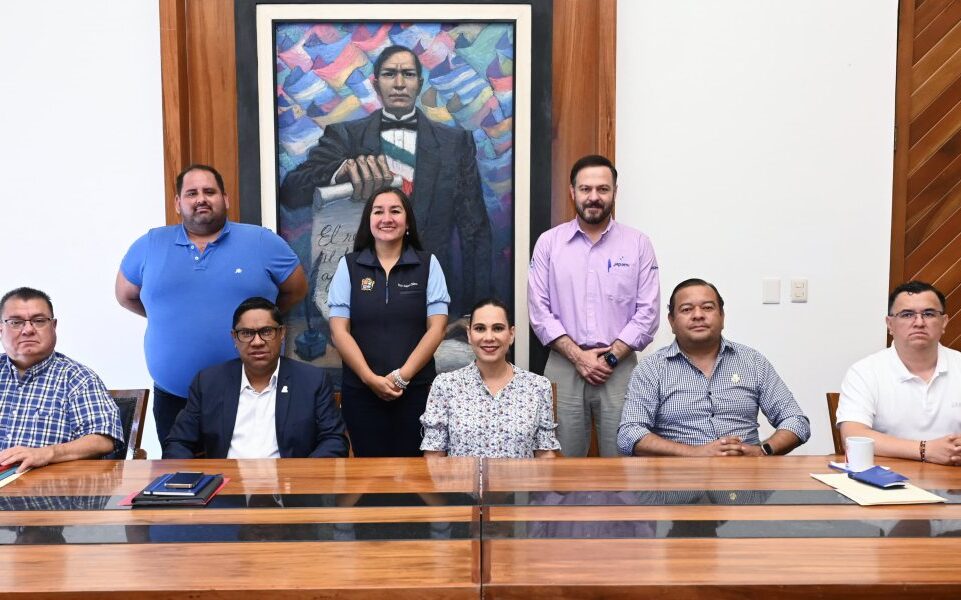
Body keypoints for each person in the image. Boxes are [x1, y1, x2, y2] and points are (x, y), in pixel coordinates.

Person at [280, 44, 490, 316]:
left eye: (408, 74)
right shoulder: (345, 136)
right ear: (375, 84)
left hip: (432, 298)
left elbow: (475, 232)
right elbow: (291, 192)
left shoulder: (455, 143)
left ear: (420, 83)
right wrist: (340, 171)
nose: (399, 83)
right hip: (363, 297)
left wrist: (476, 313)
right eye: (390, 74)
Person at [115, 164, 308, 444]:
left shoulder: (262, 241)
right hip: (174, 399)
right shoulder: (149, 245)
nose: (201, 199)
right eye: (191, 193)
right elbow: (125, 295)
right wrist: (164, 317)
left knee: (252, 470)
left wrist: (259, 324)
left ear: (225, 199)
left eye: (209, 191)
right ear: (178, 203)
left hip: (252, 395)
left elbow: (296, 290)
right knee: (178, 470)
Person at [528, 154, 660, 457]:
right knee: (560, 462)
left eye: (603, 189)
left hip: (620, 366)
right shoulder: (548, 243)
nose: (594, 197)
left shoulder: (638, 244)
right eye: (585, 189)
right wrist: (578, 357)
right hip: (563, 363)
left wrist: (610, 359)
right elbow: (539, 311)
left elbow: (648, 313)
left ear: (615, 192)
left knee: (624, 459)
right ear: (572, 192)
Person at [617, 279, 810, 457]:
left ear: (722, 316)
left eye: (708, 308)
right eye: (686, 309)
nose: (698, 315)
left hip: (745, 475)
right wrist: (694, 453)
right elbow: (629, 433)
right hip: (679, 476)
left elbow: (796, 421)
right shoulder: (651, 368)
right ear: (672, 321)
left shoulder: (752, 362)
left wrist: (762, 451)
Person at [328, 186, 449, 456]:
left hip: (416, 391)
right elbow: (339, 331)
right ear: (368, 221)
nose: (386, 218)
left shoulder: (428, 264)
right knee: (368, 472)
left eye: (395, 211)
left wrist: (402, 377)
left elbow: (437, 328)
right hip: (361, 392)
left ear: (408, 222)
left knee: (416, 471)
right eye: (378, 212)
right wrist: (370, 378)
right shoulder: (349, 266)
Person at [163, 297, 348, 459]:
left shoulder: (312, 381)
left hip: (289, 483)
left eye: (266, 331)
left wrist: (300, 477)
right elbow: (178, 443)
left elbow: (334, 441)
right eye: (247, 333)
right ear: (234, 338)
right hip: (226, 483)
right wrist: (196, 480)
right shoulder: (208, 382)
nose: (257, 342)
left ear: (282, 334)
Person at [837, 280, 961, 465]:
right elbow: (853, 435)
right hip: (886, 477)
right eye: (907, 314)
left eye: (929, 314)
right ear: (890, 324)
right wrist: (925, 450)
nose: (919, 322)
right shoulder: (865, 371)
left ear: (944, 322)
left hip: (954, 475)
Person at [0, 287, 123, 472]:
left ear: (53, 326)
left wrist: (46, 453)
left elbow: (103, 439)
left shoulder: (78, 378)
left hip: (46, 485)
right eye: (16, 322)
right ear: (1, 328)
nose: (28, 330)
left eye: (39, 321)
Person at [420, 298, 560, 458]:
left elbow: (545, 456)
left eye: (498, 328)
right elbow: (434, 458)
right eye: (480, 328)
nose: (488, 337)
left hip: (520, 476)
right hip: (462, 476)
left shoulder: (537, 386)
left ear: (511, 334)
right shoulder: (446, 385)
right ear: (469, 335)